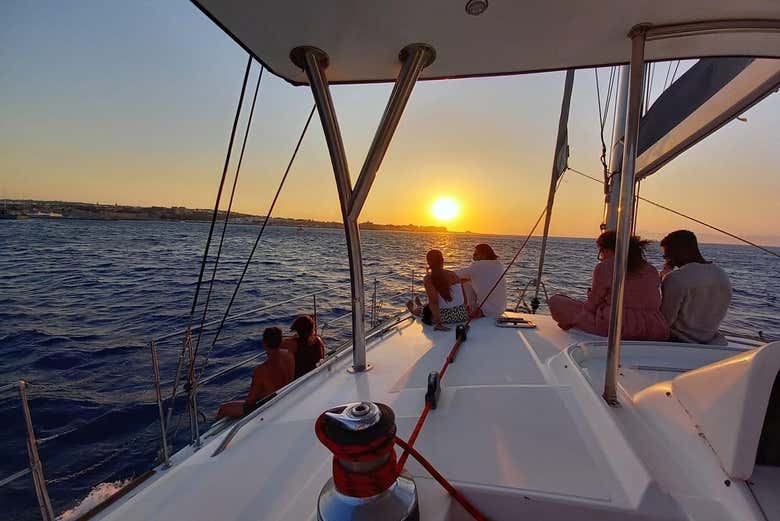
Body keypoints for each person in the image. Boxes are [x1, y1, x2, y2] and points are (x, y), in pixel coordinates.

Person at [548, 231, 669, 340]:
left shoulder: (606, 267)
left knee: (557, 301)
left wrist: (572, 319)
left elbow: (591, 305)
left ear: (608, 249)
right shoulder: (651, 269)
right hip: (654, 328)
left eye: (601, 251)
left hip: (618, 327)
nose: (601, 256)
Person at [660, 230, 732, 345]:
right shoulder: (722, 275)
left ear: (678, 251)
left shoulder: (675, 278)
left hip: (677, 342)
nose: (667, 261)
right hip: (710, 342)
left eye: (667, 256)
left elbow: (664, 321)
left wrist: (663, 279)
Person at [216, 327, 294, 419]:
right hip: (286, 397)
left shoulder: (261, 370)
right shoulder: (289, 355)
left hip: (267, 406)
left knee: (223, 409)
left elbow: (250, 401)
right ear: (281, 342)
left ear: (264, 344)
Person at [407, 249, 469, 330]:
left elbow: (433, 302)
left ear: (428, 262)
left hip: (444, 317)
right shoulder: (453, 274)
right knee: (427, 307)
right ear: (442, 260)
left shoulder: (428, 278)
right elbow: (464, 297)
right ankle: (420, 305)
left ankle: (413, 310)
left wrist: (439, 323)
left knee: (424, 311)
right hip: (462, 314)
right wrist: (462, 308)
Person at [458, 243, 507, 317]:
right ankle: (472, 306)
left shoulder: (478, 265)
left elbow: (455, 275)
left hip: (488, 311)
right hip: (500, 309)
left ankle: (471, 308)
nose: (473, 256)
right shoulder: (499, 265)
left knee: (462, 281)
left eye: (475, 254)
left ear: (483, 255)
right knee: (467, 281)